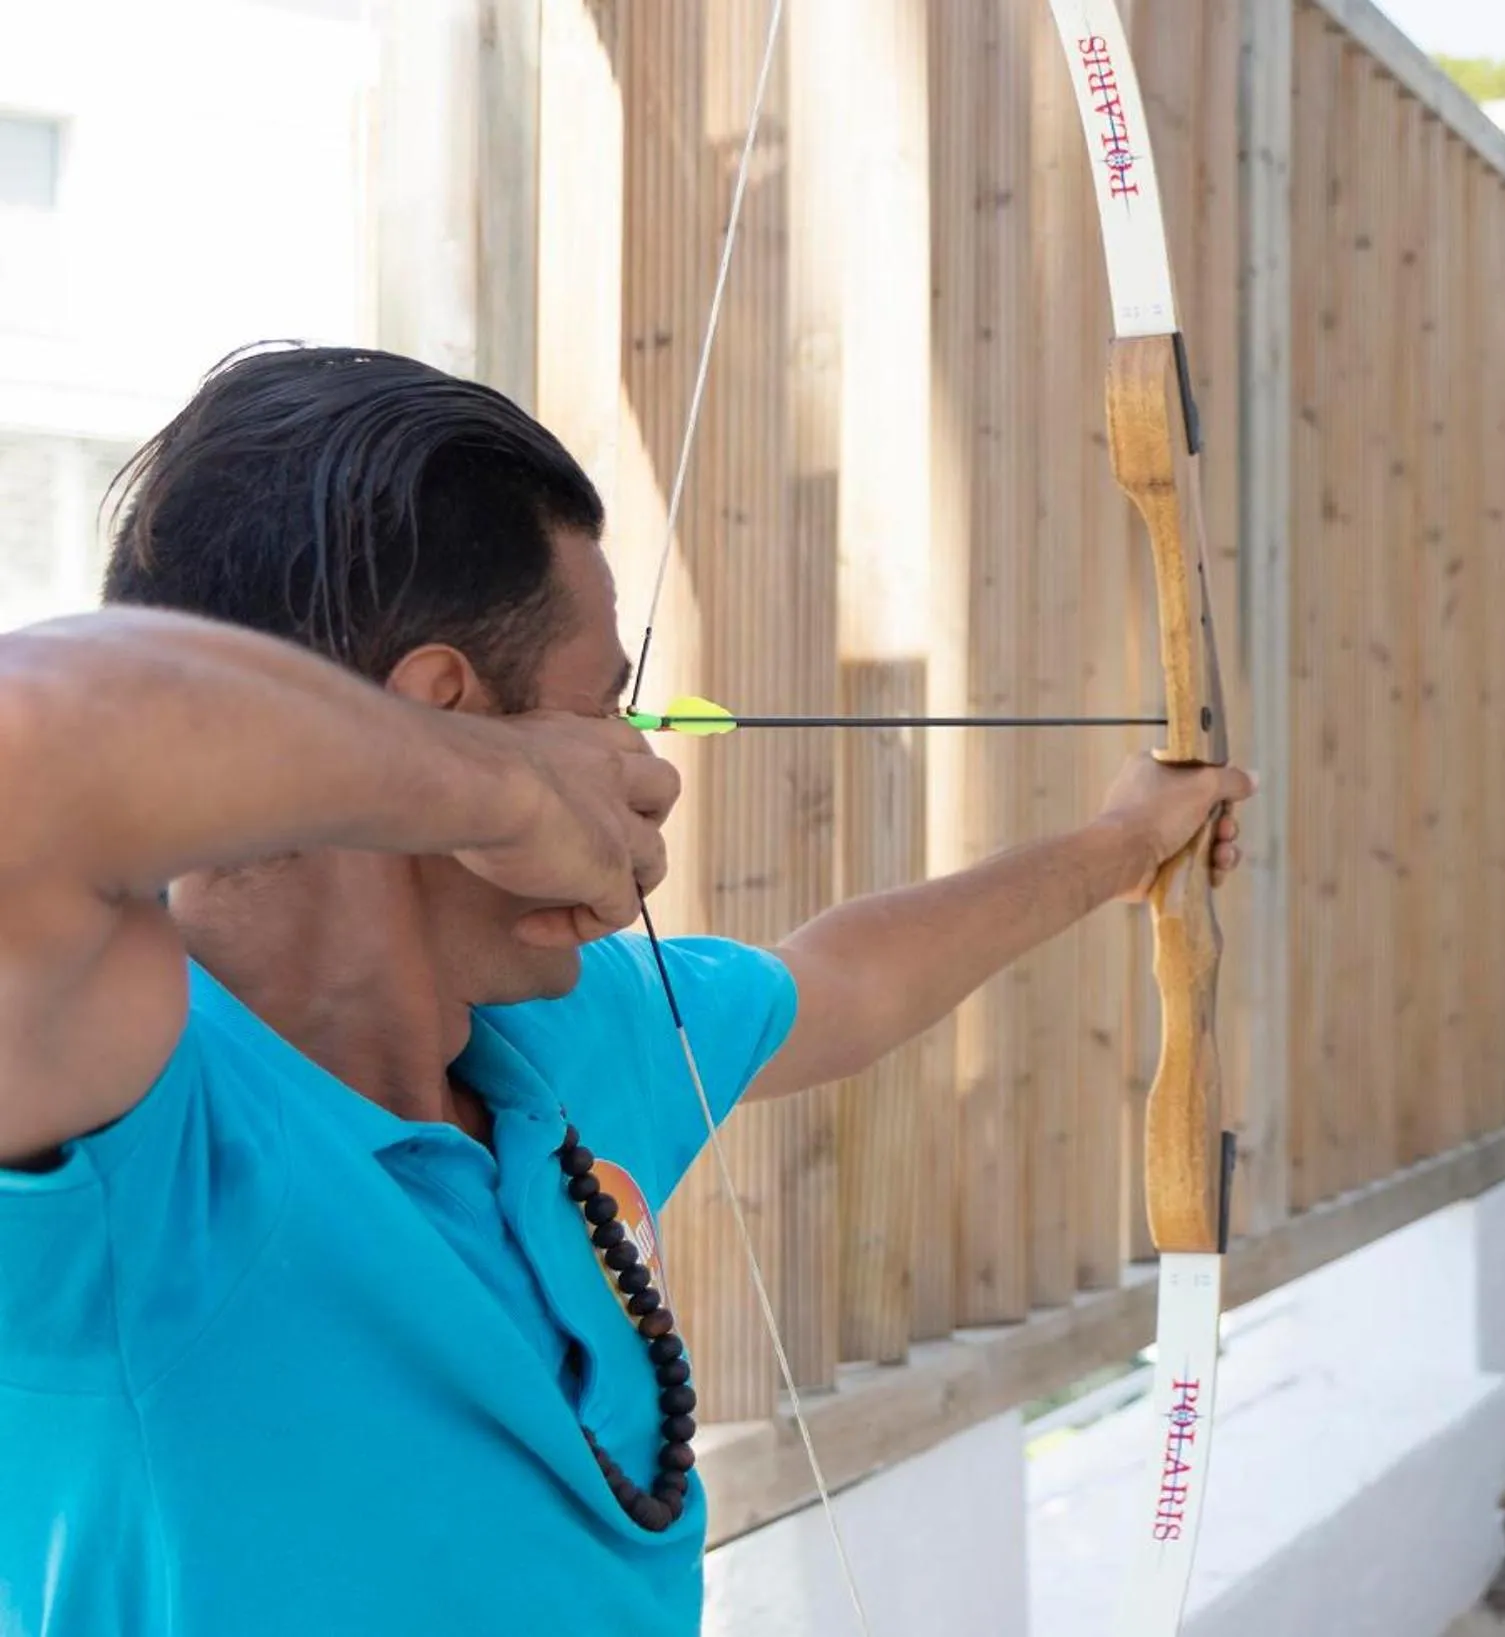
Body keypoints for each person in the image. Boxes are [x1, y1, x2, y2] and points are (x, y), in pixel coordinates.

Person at [0, 344, 1252, 1637]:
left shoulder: (554, 1036)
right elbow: (29, 734)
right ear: (443, 709)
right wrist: (492, 785)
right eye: (606, 708)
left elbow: (846, 980)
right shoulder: (128, 1128)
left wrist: (1120, 850)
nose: (643, 767)